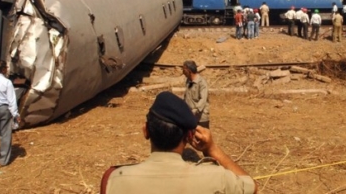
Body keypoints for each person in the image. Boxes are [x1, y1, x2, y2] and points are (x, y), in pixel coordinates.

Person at [101, 91, 257, 194]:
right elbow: (252, 188)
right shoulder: (217, 178)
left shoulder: (114, 180)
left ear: (145, 131)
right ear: (189, 137)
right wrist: (212, 149)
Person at [182, 60, 210, 129]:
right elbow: (187, 96)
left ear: (189, 70)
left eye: (184, 69)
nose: (183, 72)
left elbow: (203, 99)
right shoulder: (188, 81)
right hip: (190, 117)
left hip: (200, 119)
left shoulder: (202, 83)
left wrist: (194, 111)